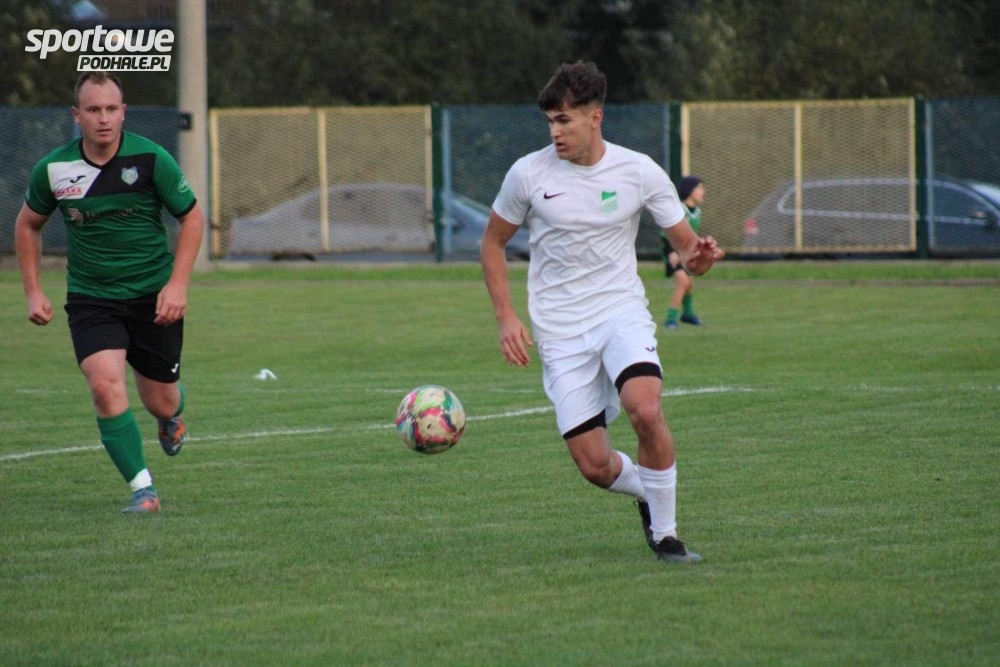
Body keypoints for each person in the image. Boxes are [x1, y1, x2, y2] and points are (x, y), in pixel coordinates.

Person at [480, 61, 724, 563]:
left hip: (620, 312)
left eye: (564, 120)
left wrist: (700, 259)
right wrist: (506, 317)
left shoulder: (639, 171)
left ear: (596, 117)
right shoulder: (528, 173)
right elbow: (492, 243)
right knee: (594, 466)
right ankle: (648, 492)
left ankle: (667, 534)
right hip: (560, 330)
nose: (555, 132)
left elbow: (688, 251)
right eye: (550, 121)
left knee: (646, 409)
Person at [14, 71, 205, 514]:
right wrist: (33, 291)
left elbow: (192, 218)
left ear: (123, 113)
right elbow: (27, 225)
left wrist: (177, 285)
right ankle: (144, 491)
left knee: (161, 401)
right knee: (104, 386)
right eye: (94, 109)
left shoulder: (152, 158)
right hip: (92, 298)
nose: (103, 118)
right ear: (76, 114)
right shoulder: (54, 169)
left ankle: (171, 417)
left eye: (111, 109)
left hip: (153, 297)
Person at [662, 175, 706, 329]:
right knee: (683, 282)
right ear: (689, 190)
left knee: (689, 284)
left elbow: (691, 236)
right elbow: (665, 233)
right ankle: (670, 319)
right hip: (673, 254)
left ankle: (688, 314)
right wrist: (671, 252)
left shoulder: (697, 212)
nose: (703, 191)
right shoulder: (679, 210)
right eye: (699, 188)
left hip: (687, 254)